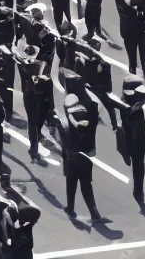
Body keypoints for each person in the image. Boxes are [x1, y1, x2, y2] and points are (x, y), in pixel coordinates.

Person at [51, 93, 102, 221]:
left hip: (70, 158)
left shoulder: (64, 122)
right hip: (85, 157)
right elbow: (95, 109)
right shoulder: (88, 117)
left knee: (71, 183)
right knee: (86, 185)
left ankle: (70, 208)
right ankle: (94, 212)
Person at [117, 75, 145, 204]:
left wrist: (140, 103)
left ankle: (138, 190)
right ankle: (138, 191)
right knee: (138, 165)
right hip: (133, 140)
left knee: (139, 165)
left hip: (140, 137)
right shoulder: (124, 104)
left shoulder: (136, 99)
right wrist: (136, 107)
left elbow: (144, 97)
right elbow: (126, 115)